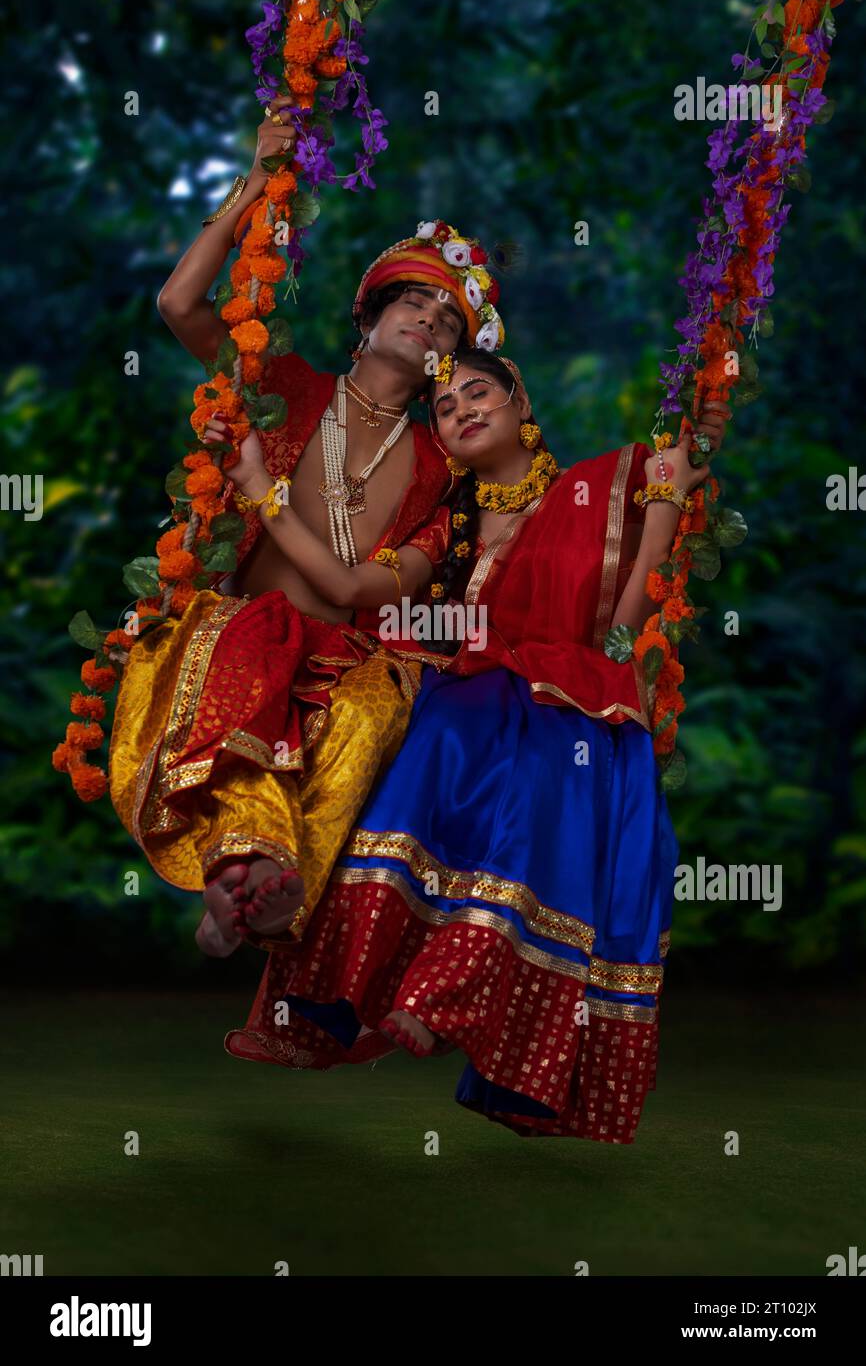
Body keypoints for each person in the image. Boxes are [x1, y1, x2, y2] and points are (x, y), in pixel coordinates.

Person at [222, 344, 730, 1144]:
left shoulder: (599, 486)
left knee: (536, 770)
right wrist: (260, 492)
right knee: (412, 732)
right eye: (444, 405)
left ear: (521, 402)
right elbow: (356, 592)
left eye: (478, 391)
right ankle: (258, 902)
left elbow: (642, 595)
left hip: (577, 696)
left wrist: (665, 510)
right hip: (469, 688)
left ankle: (441, 997)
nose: (459, 408)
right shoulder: (441, 524)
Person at [107, 92, 509, 956]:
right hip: (235, 632)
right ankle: (248, 876)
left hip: (345, 661)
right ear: (366, 317)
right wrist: (258, 177)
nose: (428, 321)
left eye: (448, 322)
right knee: (253, 639)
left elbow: (354, 588)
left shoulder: (446, 475)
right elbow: (180, 306)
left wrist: (262, 492)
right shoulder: (284, 384)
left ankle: (260, 892)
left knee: (375, 708)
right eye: (414, 303)